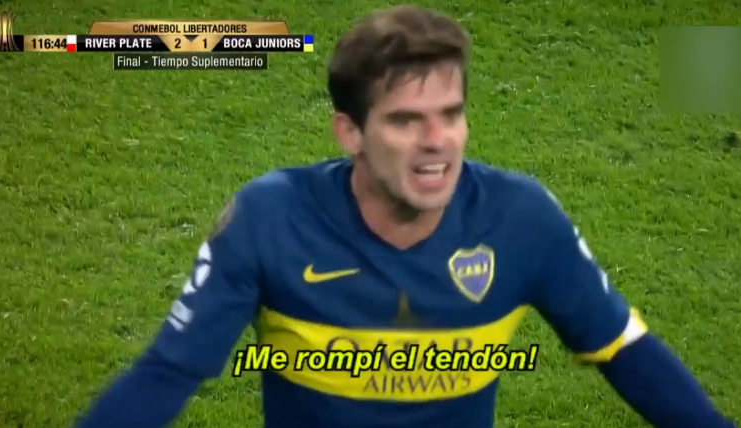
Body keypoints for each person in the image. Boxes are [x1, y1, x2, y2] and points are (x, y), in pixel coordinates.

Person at [74, 5, 736, 428]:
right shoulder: (269, 219)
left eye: (451, 114)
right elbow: (169, 372)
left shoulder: (521, 220)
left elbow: (624, 349)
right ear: (350, 133)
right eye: (405, 120)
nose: (437, 141)